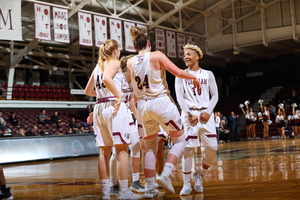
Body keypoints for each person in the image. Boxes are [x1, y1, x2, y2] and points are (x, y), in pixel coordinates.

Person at [126, 26, 201, 198]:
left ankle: (150, 188)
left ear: (135, 47)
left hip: (143, 106)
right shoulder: (157, 55)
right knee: (180, 139)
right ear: (149, 43)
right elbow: (178, 72)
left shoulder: (130, 62)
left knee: (150, 148)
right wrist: (194, 77)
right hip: (160, 101)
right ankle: (166, 174)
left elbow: (131, 88)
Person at [84, 39, 141, 199]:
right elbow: (107, 80)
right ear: (115, 51)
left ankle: (105, 193)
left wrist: (103, 94)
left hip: (99, 107)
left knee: (104, 152)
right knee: (122, 150)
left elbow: (88, 91)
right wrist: (118, 95)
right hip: (114, 107)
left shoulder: (97, 66)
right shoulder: (114, 63)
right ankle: (124, 192)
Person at [175, 43, 218, 196]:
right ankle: (186, 183)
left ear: (197, 56)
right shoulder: (180, 74)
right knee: (189, 149)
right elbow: (179, 97)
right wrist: (188, 113)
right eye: (184, 55)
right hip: (190, 114)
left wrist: (208, 111)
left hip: (206, 115)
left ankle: (199, 174)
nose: (185, 57)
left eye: (188, 54)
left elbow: (215, 96)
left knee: (212, 147)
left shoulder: (208, 74)